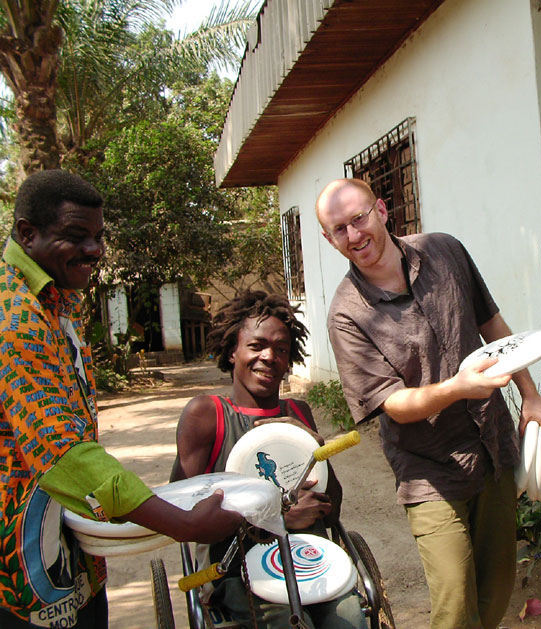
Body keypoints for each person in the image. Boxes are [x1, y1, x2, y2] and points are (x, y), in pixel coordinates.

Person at [0, 170, 243, 628]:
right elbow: (65, 455)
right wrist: (185, 525)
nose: (94, 250)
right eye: (77, 236)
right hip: (18, 565)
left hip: (68, 543)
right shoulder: (16, 317)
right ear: (27, 234)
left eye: (98, 236)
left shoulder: (55, 301)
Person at [316, 178, 541, 629]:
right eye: (339, 229)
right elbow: (393, 404)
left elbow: (492, 324)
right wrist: (457, 388)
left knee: (496, 587)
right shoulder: (346, 314)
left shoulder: (445, 251)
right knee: (455, 601)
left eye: (358, 218)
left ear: (381, 210)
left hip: (492, 444)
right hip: (428, 469)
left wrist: (530, 395)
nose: (354, 235)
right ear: (329, 240)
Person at [171, 290, 366, 629]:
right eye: (256, 345)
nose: (269, 357)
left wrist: (313, 448)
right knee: (289, 622)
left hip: (309, 559)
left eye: (281, 349)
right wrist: (276, 518)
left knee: (351, 619)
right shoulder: (207, 415)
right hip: (237, 569)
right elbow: (179, 514)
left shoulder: (298, 413)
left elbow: (332, 510)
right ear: (232, 351)